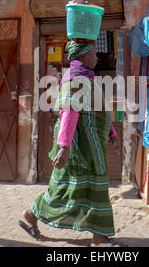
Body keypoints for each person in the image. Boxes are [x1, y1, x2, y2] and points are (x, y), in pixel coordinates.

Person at [19, 39, 125, 247]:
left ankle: (33, 214)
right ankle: (100, 238)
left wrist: (111, 133)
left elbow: (98, 109)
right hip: (79, 148)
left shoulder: (88, 79)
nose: (96, 57)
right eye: (94, 53)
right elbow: (69, 113)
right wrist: (65, 148)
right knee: (64, 188)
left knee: (76, 188)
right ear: (83, 56)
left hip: (91, 144)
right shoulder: (75, 80)